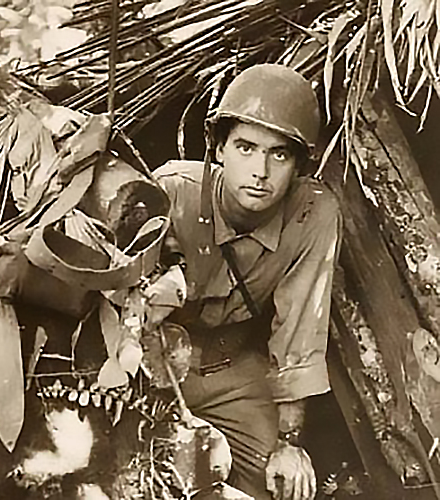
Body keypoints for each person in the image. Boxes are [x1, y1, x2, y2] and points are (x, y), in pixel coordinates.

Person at [147, 64, 342, 500]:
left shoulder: (311, 215)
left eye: (279, 154)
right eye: (246, 147)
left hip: (232, 371)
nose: (261, 171)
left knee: (282, 485)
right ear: (219, 149)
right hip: (156, 367)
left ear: (298, 165)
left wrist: (289, 444)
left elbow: (299, 332)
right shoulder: (172, 190)